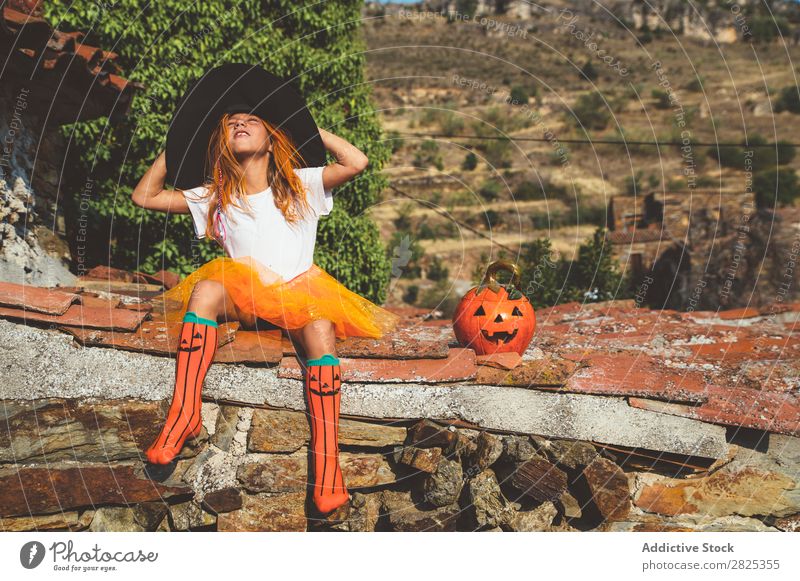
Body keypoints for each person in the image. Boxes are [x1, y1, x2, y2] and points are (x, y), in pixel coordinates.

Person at [131, 111, 400, 515]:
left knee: (321, 329)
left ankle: (327, 461)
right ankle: (184, 411)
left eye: (252, 121)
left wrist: (307, 127)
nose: (240, 124)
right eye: (231, 123)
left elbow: (356, 163)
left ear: (273, 139)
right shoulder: (216, 196)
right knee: (205, 289)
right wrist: (177, 140)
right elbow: (144, 197)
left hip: (299, 292)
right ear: (223, 141)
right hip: (245, 297)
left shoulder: (301, 183)